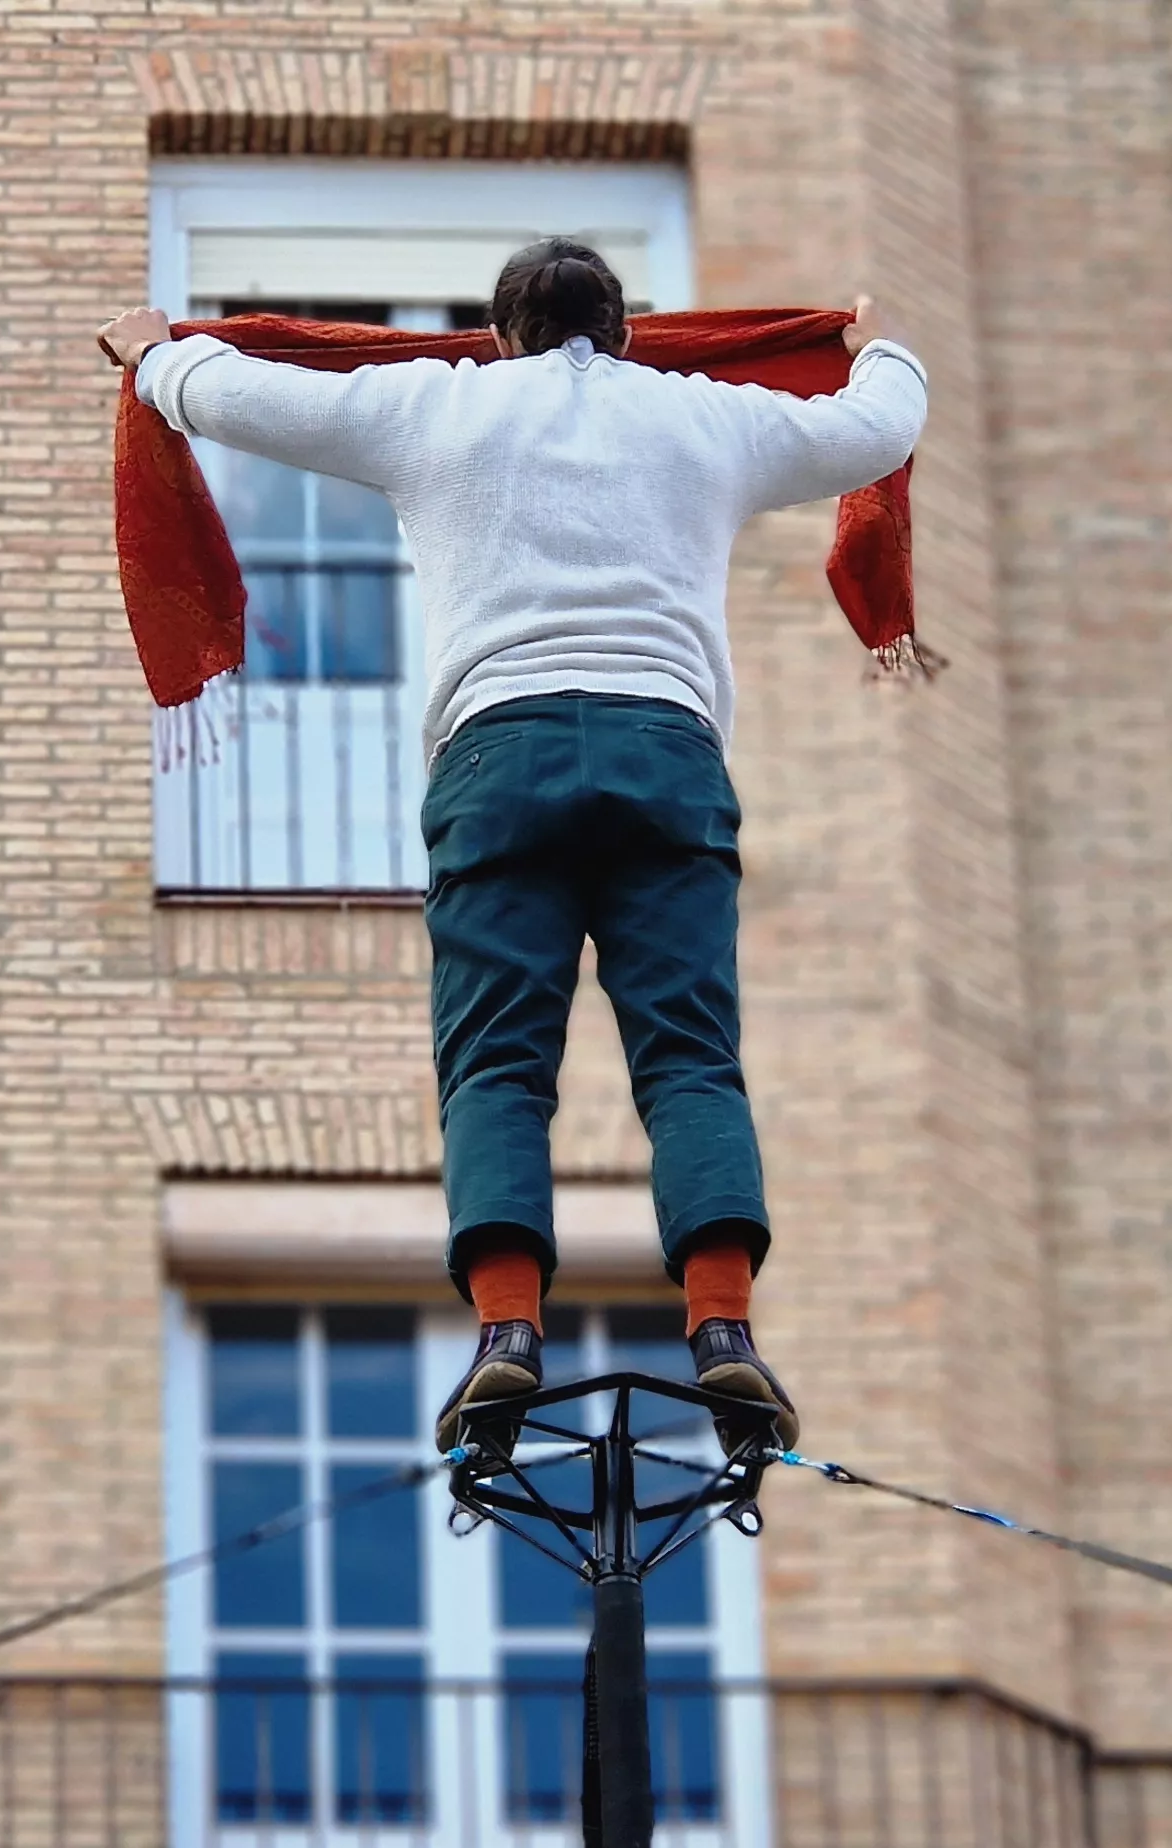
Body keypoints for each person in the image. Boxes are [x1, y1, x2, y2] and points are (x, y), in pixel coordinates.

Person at [96, 241, 929, 1453]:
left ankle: (505, 1337)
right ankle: (722, 1332)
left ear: (496, 336)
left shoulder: (434, 401)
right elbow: (876, 427)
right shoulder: (705, 417)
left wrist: (153, 354)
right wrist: (876, 341)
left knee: (496, 1067)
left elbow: (240, 394)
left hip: (498, 764)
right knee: (690, 1060)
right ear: (627, 331)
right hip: (666, 760)